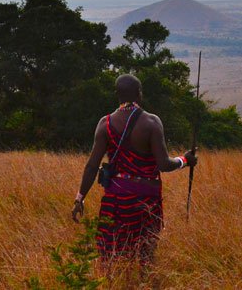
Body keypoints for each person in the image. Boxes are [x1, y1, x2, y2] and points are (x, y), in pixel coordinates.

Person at [71, 73, 198, 266]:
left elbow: (91, 166)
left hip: (116, 199)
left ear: (117, 94)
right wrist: (184, 160)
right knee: (146, 253)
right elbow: (164, 164)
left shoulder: (104, 124)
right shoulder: (151, 122)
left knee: (111, 254)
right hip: (146, 200)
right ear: (139, 94)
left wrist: (80, 198)